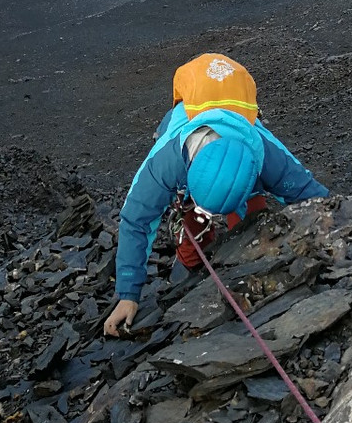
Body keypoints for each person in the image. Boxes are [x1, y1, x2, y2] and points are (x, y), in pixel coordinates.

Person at [103, 53, 328, 336]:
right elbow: (136, 220)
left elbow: (313, 197)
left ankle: (246, 263)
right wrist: (128, 293)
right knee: (191, 218)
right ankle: (191, 264)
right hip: (188, 122)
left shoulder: (266, 155)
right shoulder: (166, 161)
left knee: (254, 219)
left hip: (237, 152)